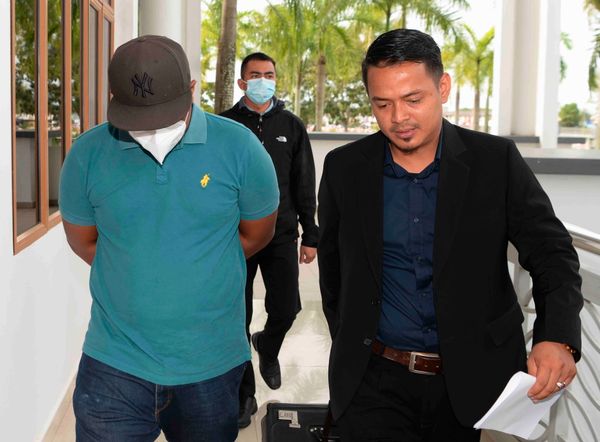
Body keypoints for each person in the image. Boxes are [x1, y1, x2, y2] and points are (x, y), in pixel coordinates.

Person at [317, 28, 583, 441]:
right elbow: (334, 272)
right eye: (382, 104)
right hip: (373, 382)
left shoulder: (495, 161)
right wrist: (353, 341)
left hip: (470, 381)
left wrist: (557, 338)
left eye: (413, 99)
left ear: (443, 87)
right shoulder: (344, 168)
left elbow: (552, 252)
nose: (398, 118)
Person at [59, 35, 279, 441]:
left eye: (163, 114)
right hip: (114, 363)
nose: (152, 128)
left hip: (211, 363)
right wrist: (141, 266)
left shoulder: (240, 148)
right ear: (115, 99)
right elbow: (85, 242)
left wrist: (196, 268)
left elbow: (256, 233)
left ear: (191, 89)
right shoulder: (88, 154)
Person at [220, 52, 319, 428]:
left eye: (269, 74)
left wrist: (310, 234)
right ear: (242, 82)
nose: (263, 80)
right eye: (255, 75)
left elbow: (304, 181)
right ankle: (245, 395)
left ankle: (268, 345)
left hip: (281, 234)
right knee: (236, 317)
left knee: (287, 308)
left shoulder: (291, 125)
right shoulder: (225, 125)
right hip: (235, 236)